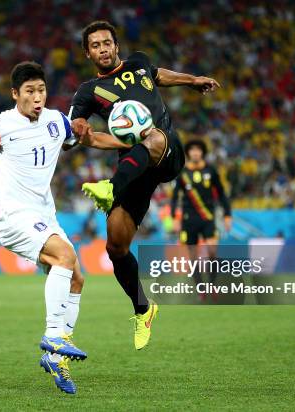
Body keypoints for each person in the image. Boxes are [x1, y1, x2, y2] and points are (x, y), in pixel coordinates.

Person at [0, 61, 129, 394]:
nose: (37, 97)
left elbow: (89, 138)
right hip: (13, 215)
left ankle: (58, 359)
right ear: (16, 94)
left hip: (43, 214)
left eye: (41, 90)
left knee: (77, 277)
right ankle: (53, 337)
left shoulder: (56, 121)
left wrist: (129, 144)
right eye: (30, 91)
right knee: (65, 257)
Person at [69, 20, 220, 349]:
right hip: (133, 167)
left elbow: (159, 74)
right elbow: (76, 123)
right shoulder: (89, 90)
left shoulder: (137, 63)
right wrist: (80, 130)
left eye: (107, 42)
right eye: (96, 45)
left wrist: (191, 81)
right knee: (116, 246)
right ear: (88, 53)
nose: (103, 48)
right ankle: (143, 308)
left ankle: (109, 188)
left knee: (149, 134)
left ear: (116, 45)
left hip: (166, 148)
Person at [170, 140, 232, 301]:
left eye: (198, 150)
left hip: (208, 218)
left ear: (202, 152)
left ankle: (212, 284)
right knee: (192, 256)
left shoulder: (211, 171)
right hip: (188, 219)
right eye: (192, 150)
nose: (195, 152)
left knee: (212, 252)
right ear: (189, 153)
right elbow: (175, 197)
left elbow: (222, 194)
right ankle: (200, 288)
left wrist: (227, 215)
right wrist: (174, 218)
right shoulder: (183, 174)